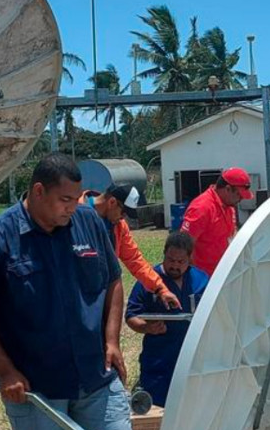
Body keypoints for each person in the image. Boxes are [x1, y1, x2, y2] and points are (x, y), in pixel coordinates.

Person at [0, 153, 138, 430]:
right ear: (39, 191)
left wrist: (111, 341)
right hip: (36, 383)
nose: (73, 207)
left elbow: (113, 280)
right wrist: (5, 370)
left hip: (95, 373)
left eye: (77, 198)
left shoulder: (90, 224)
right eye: (65, 199)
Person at [125, 231, 209, 407]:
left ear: (189, 259)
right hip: (158, 363)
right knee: (159, 412)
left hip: (193, 361)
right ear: (164, 254)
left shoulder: (201, 280)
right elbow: (131, 316)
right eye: (171, 260)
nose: (175, 266)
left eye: (181, 262)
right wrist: (147, 328)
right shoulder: (149, 281)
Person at [82, 184, 181, 309]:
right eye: (123, 212)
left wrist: (160, 288)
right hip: (78, 297)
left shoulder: (119, 226)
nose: (123, 218)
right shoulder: (75, 214)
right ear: (112, 202)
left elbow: (134, 260)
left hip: (104, 295)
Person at [180, 167, 253, 277]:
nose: (241, 199)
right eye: (239, 195)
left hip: (224, 275)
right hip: (205, 280)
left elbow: (231, 235)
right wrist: (196, 279)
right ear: (228, 189)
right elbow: (183, 246)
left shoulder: (229, 206)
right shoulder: (202, 208)